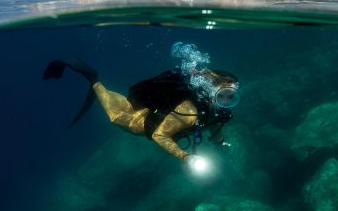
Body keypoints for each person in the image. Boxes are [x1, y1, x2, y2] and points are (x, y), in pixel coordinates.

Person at [43, 43, 240, 167]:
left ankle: (97, 83)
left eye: (231, 97)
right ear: (212, 91)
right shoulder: (190, 109)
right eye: (223, 96)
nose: (227, 102)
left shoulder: (214, 111)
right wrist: (185, 157)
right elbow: (159, 134)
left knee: (125, 105)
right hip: (141, 124)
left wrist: (221, 142)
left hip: (147, 111)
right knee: (116, 116)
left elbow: (213, 125)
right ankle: (93, 79)